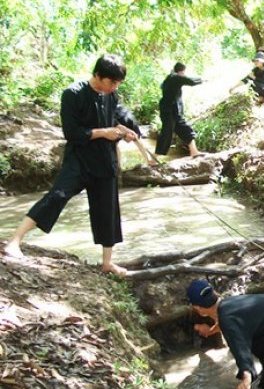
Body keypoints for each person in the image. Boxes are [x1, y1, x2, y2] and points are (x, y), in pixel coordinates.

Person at [3, 54, 144, 276]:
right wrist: (103, 133)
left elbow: (112, 120)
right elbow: (72, 132)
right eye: (112, 82)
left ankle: (107, 263)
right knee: (57, 195)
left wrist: (124, 132)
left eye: (118, 84)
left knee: (108, 210)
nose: (115, 87)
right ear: (98, 75)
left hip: (105, 160)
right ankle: (14, 241)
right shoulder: (73, 94)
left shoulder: (111, 96)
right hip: (79, 159)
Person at [155, 62, 203, 157]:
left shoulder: (171, 77)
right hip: (169, 111)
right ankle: (154, 158)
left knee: (185, 129)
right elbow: (191, 81)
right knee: (167, 132)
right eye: (184, 73)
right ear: (181, 71)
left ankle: (194, 151)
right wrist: (202, 80)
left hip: (175, 112)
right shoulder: (174, 77)